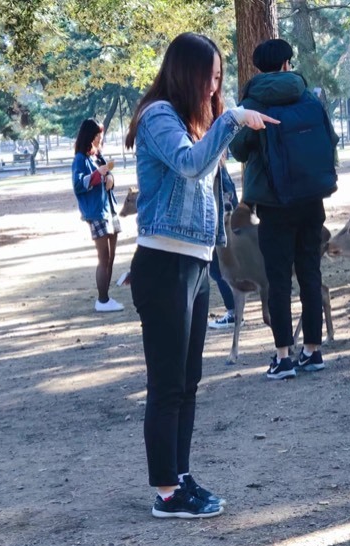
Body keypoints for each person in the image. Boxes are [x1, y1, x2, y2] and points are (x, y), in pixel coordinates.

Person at [124, 32, 277, 519]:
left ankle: (181, 476)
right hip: (164, 263)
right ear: (187, 73)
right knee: (168, 383)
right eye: (211, 77)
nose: (216, 87)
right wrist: (230, 118)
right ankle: (166, 491)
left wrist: (223, 121)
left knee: (188, 381)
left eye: (219, 80)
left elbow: (213, 164)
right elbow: (190, 166)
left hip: (192, 261)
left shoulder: (191, 120)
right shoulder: (158, 117)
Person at [230, 38, 338, 380]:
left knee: (277, 279)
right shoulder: (309, 97)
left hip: (274, 203)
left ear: (258, 67)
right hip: (311, 199)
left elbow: (240, 151)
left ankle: (282, 357)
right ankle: (313, 351)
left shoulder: (252, 101)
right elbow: (330, 139)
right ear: (288, 63)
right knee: (310, 273)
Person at [71, 118, 123, 312]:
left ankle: (106, 298)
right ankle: (102, 300)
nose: (100, 138)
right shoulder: (80, 159)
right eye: (98, 135)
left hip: (109, 209)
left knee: (110, 257)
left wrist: (109, 176)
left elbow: (107, 179)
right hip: (96, 212)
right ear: (90, 136)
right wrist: (98, 175)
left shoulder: (97, 156)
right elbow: (78, 185)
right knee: (104, 257)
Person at [208, 165, 242, 329]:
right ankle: (235, 310)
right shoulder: (218, 164)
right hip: (224, 222)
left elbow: (227, 197)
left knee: (217, 269)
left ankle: (234, 312)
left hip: (219, 224)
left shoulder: (213, 165)